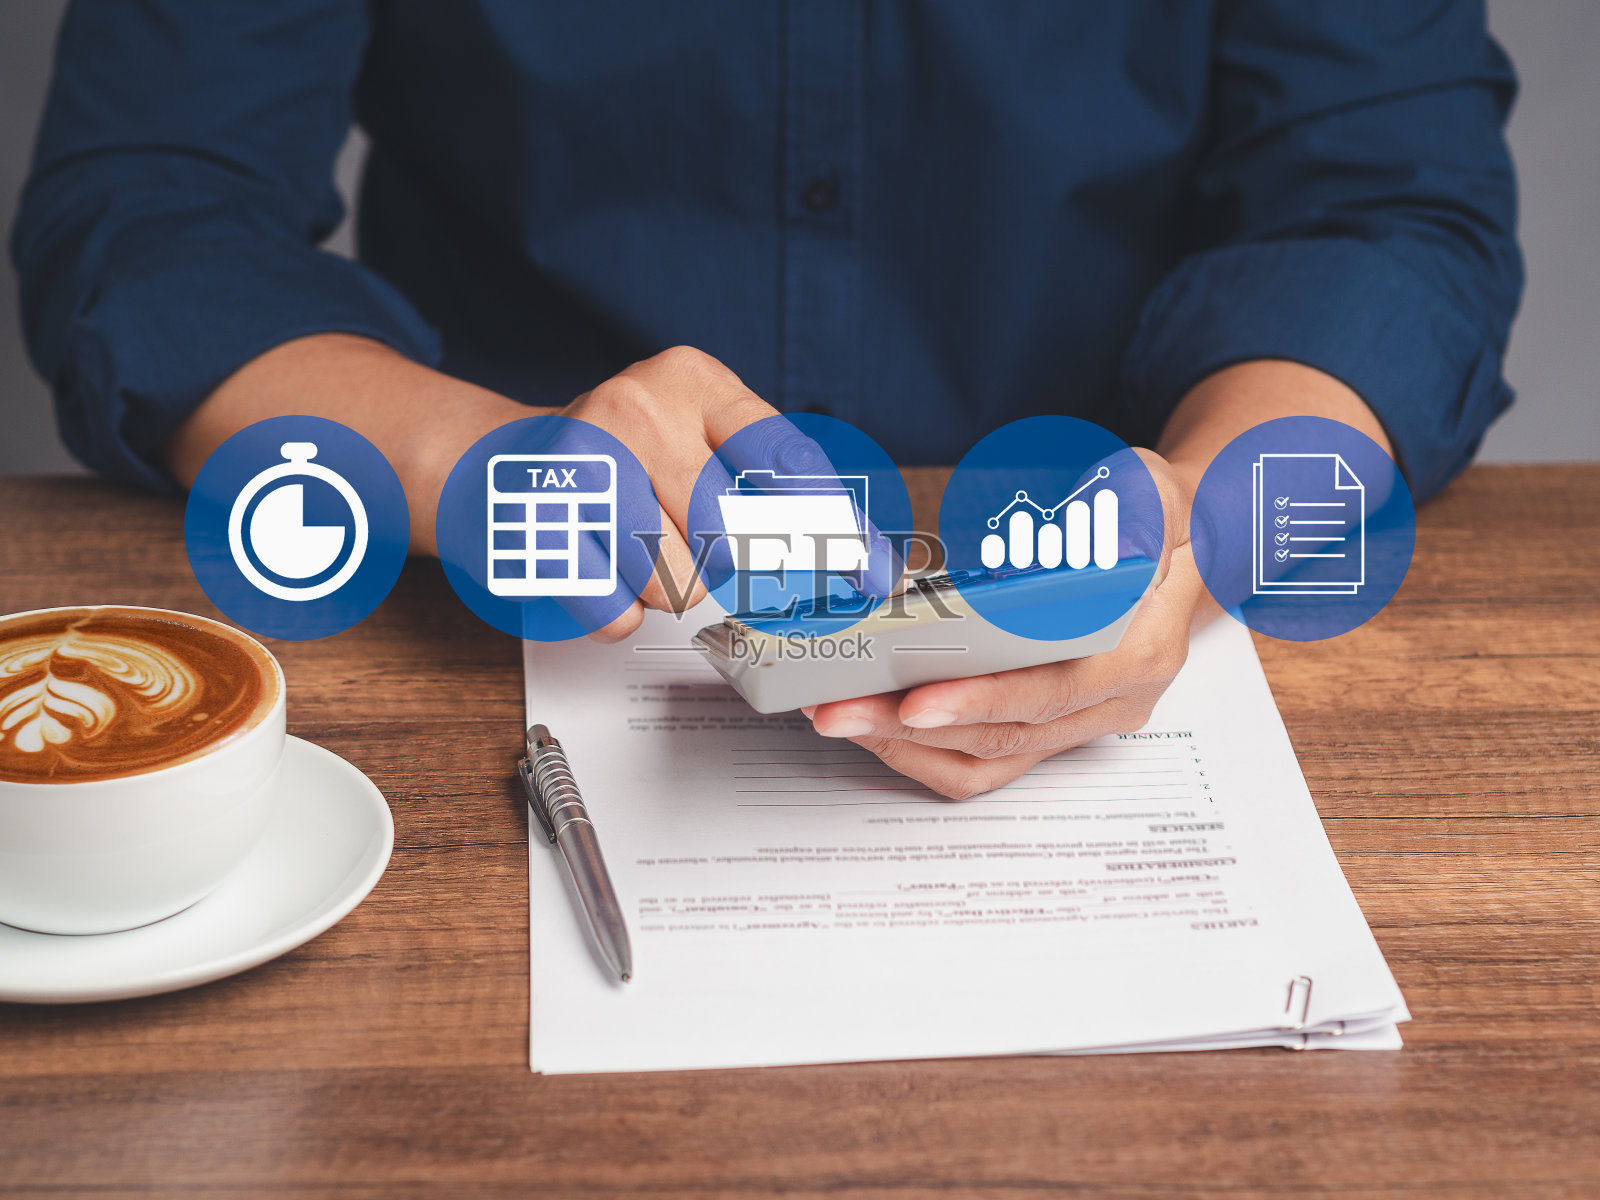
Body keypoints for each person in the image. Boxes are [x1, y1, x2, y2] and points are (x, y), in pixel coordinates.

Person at [11, 1, 1521, 798]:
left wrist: (1205, 517)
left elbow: (1386, 208)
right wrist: (471, 457)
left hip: (1093, 553)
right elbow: (151, 207)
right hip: (508, 619)